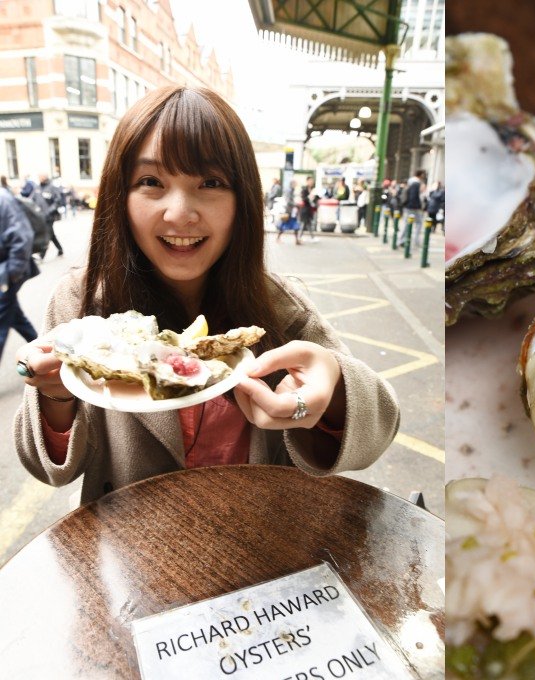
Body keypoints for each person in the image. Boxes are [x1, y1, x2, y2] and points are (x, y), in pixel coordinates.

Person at [13, 86, 400, 504]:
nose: (180, 212)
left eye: (211, 182)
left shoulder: (281, 306)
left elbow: (378, 430)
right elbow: (44, 466)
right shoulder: (82, 302)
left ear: (244, 200)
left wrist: (335, 390)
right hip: (132, 548)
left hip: (261, 542)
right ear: (119, 197)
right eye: (150, 182)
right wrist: (55, 394)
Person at [0, 175, 39, 362]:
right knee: (14, 316)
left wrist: (9, 276)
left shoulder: (3, 200)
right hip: (4, 273)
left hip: (5, 274)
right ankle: (42, 348)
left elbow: (22, 238)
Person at [25, 174, 64, 258]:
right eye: (39, 177)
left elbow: (57, 201)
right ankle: (60, 249)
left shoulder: (51, 188)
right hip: (40, 216)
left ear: (45, 178)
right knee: (51, 234)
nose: (40, 178)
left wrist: (49, 211)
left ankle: (42, 254)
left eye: (42, 177)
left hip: (49, 216)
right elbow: (31, 199)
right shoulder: (37, 188)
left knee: (47, 234)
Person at [399, 170, 426, 248]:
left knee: (408, 223)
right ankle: (412, 240)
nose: (424, 176)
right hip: (413, 207)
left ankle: (403, 240)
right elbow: (413, 197)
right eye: (423, 174)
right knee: (417, 223)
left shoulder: (411, 182)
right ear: (420, 175)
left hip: (409, 206)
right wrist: (418, 207)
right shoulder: (416, 183)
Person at [299, 175, 319, 241]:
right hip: (305, 209)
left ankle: (308, 237)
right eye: (310, 181)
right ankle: (300, 237)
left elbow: (315, 198)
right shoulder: (304, 189)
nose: (312, 182)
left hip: (309, 209)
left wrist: (316, 197)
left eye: (312, 181)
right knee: (304, 223)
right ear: (307, 181)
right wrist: (309, 197)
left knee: (307, 224)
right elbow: (303, 198)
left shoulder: (313, 189)